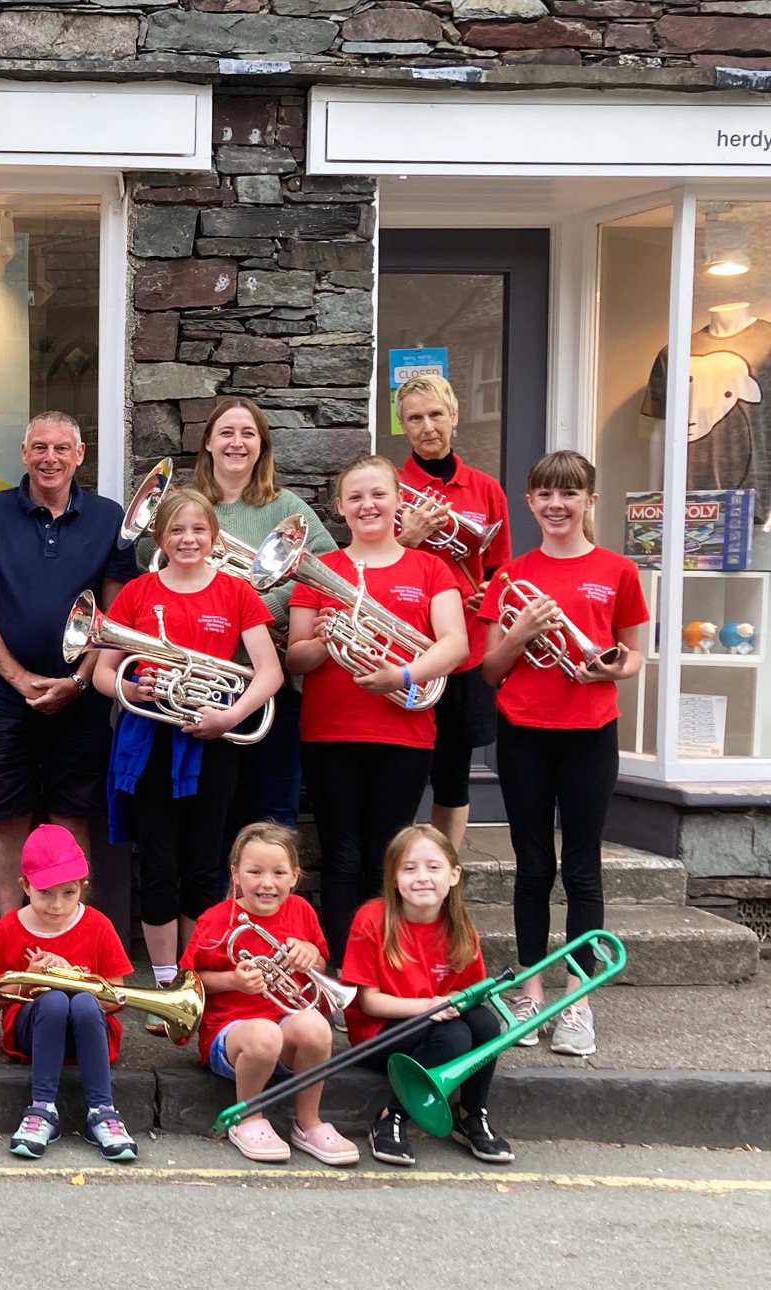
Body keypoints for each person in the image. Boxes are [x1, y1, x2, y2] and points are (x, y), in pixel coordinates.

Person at [480, 450, 645, 1059]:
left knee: (581, 869)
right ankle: (529, 990)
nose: (557, 504)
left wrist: (607, 670)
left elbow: (632, 656)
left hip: (590, 731)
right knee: (531, 867)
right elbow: (491, 671)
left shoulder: (617, 570)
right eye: (545, 494)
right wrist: (522, 632)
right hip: (524, 731)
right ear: (530, 502)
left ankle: (577, 999)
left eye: (569, 494)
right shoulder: (511, 575)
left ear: (589, 502)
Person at [94, 486, 282, 1016]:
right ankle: (162, 981)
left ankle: (194, 976)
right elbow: (107, 675)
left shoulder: (237, 592)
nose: (188, 539)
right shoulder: (136, 593)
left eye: (198, 529)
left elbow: (269, 673)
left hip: (214, 740)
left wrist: (228, 717)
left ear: (214, 537)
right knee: (156, 863)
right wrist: (133, 691)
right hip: (151, 740)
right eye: (177, 530)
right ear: (161, 537)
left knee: (203, 863)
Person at [286, 454, 469, 971]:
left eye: (378, 494)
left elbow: (453, 644)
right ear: (341, 507)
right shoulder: (321, 571)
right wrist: (322, 642)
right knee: (342, 857)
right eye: (357, 497)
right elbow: (295, 656)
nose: (368, 505)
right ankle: (345, 974)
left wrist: (403, 676)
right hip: (330, 732)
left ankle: (382, 971)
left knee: (389, 857)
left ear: (398, 502)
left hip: (405, 730)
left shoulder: (430, 567)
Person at [0, 412, 139, 913]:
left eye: (62, 448)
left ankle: (74, 945)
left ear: (80, 455)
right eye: (39, 447)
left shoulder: (109, 519)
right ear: (24, 453)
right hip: (1, 693)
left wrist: (79, 682)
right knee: (8, 815)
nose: (50, 458)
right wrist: (20, 680)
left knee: (71, 815)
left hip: (80, 697)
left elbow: (118, 614)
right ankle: (11, 948)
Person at [190, 397, 338, 842]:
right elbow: (154, 566)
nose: (237, 443)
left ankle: (270, 911)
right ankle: (217, 913)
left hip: (270, 682)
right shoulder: (188, 507)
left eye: (248, 434)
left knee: (272, 815)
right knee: (211, 818)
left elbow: (331, 570)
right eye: (227, 433)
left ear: (262, 445)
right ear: (208, 443)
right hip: (204, 680)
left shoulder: (285, 506)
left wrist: (263, 609)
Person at [343, 824, 514, 1167]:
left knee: (484, 1024)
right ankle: (390, 1116)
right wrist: (428, 1006)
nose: (422, 877)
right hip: (377, 1035)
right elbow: (369, 1002)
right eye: (409, 868)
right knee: (454, 1034)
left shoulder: (459, 928)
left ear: (453, 876)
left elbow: (468, 992)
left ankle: (471, 1114)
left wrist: (455, 1003)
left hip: (432, 1025)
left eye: (433, 867)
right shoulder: (371, 919)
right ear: (393, 878)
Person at [188, 822, 357, 1166]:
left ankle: (307, 1122)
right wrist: (234, 981)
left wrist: (312, 954)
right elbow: (191, 979)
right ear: (236, 873)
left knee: (316, 1026)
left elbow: (319, 966)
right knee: (264, 1034)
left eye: (279, 872)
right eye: (255, 871)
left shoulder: (302, 911)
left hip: (284, 1027)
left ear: (294, 876)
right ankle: (247, 1118)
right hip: (231, 1034)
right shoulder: (216, 919)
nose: (267, 882)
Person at [392, 376, 512, 854]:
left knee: (453, 773)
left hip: (466, 651)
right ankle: (401, 869)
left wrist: (490, 593)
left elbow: (503, 569)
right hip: (407, 645)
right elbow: (368, 565)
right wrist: (409, 538)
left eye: (436, 415)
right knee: (403, 770)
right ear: (403, 426)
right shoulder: (391, 489)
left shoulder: (484, 489)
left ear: (455, 416)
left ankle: (444, 872)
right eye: (415, 418)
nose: (427, 427)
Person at [0, 825, 139, 1162]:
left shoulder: (98, 925)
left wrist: (75, 981)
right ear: (25, 886)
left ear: (83, 887)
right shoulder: (8, 928)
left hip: (88, 1030)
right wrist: (31, 980)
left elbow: (117, 997)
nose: (57, 904)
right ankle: (41, 1111)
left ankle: (103, 1112)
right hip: (32, 1031)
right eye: (45, 893)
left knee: (79, 1001)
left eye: (68, 893)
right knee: (50, 1000)